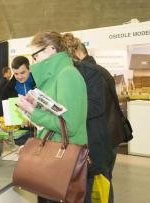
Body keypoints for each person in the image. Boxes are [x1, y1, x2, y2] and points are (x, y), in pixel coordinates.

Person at [17, 31, 88, 203]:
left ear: (50, 50)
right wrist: (34, 107)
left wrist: (33, 112)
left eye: (35, 55)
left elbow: (69, 125)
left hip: (64, 162)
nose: (33, 61)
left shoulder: (67, 74)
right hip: (54, 155)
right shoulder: (57, 76)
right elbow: (56, 114)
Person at [64, 35, 114, 203]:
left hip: (93, 139)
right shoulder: (98, 70)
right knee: (98, 185)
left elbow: (97, 106)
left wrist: (66, 112)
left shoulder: (91, 71)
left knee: (94, 187)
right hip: (100, 136)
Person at [75, 42, 126, 203]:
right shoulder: (102, 70)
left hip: (101, 136)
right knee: (104, 181)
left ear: (76, 53)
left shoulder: (88, 73)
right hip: (112, 134)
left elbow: (94, 108)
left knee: (98, 183)